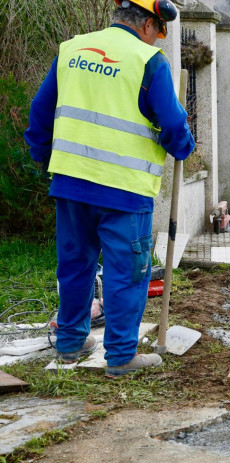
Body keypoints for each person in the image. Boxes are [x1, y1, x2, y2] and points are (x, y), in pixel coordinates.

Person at [25, 0, 194, 377]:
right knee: (125, 272)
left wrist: (42, 154)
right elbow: (171, 122)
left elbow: (41, 110)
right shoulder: (148, 61)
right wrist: (183, 145)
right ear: (149, 23)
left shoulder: (71, 49)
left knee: (74, 265)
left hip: (70, 183)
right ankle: (120, 356)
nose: (157, 42)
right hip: (123, 190)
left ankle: (69, 343)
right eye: (158, 33)